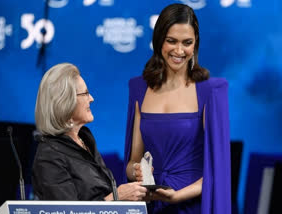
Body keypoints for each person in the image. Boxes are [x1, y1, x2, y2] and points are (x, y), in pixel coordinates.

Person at [124, 3, 231, 214]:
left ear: (196, 44)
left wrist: (176, 196)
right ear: (159, 41)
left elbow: (218, 171)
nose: (179, 51)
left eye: (187, 43)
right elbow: (132, 162)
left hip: (192, 206)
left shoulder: (211, 90)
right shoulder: (139, 88)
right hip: (150, 205)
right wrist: (136, 171)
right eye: (171, 41)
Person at [32, 63, 147, 201]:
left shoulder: (85, 140)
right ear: (65, 101)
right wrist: (118, 196)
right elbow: (66, 212)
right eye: (85, 93)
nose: (91, 98)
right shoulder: (49, 156)